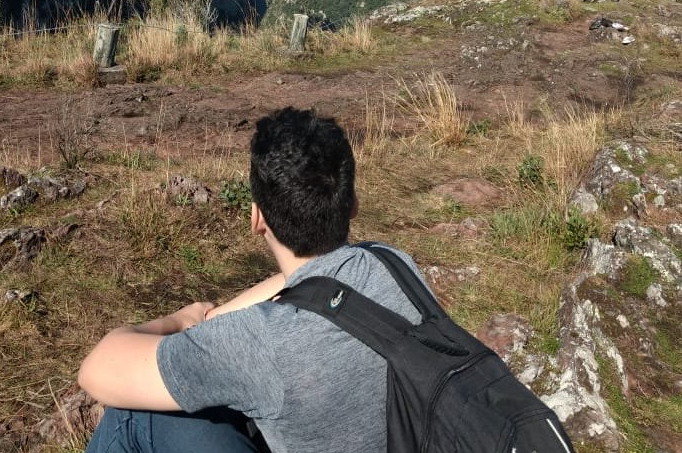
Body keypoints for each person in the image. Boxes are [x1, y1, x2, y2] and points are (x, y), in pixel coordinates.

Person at [78, 107, 428, 453]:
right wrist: (214, 316)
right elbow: (309, 280)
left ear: (256, 218)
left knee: (137, 419)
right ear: (352, 204)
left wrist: (183, 319)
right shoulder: (394, 264)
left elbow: (97, 370)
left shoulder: (259, 345)